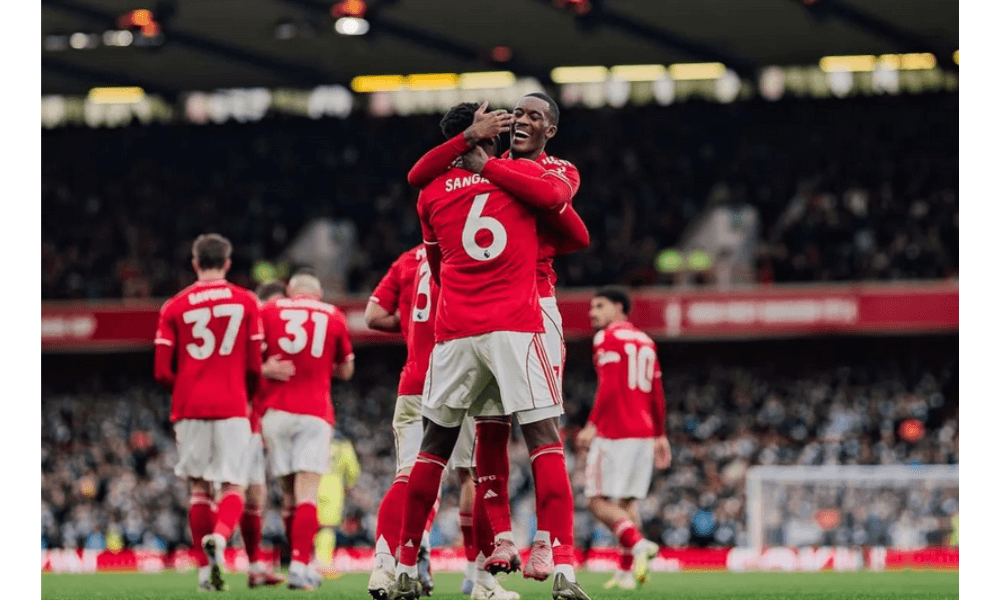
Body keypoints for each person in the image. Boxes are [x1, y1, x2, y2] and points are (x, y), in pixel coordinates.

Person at [390, 102, 590, 600]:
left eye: (528, 116)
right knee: (539, 436)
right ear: (487, 136)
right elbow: (579, 234)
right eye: (507, 119)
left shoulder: (435, 191)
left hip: (456, 329)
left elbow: (419, 181)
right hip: (519, 318)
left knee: (437, 449)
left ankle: (403, 565)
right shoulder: (520, 178)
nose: (517, 123)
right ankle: (552, 557)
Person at [154, 233, 264, 592]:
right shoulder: (247, 302)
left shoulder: (173, 306)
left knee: (198, 487)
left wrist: (185, 388)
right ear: (228, 263)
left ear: (195, 263)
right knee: (234, 482)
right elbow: (253, 367)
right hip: (233, 405)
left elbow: (161, 371)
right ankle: (219, 536)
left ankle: (205, 574)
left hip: (189, 407)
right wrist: (243, 394)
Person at [258, 271, 355, 590]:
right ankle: (301, 565)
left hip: (275, 413)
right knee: (307, 496)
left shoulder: (269, 311)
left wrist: (264, 368)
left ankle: (294, 562)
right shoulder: (333, 315)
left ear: (289, 290)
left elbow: (244, 356)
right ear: (319, 292)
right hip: (314, 413)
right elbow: (346, 369)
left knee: (288, 496)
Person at [576, 286, 672, 589]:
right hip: (644, 433)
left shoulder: (607, 338)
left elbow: (611, 384)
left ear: (619, 308)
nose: (592, 313)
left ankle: (639, 543)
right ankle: (627, 572)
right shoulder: (646, 341)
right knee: (627, 502)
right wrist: (660, 433)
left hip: (615, 431)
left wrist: (592, 423)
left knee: (596, 500)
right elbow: (657, 393)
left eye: (599, 306)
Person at [243, 280, 295, 588]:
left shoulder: (272, 336)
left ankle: (253, 566)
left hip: (253, 420)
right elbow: (227, 366)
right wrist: (263, 370)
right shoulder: (250, 327)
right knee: (231, 492)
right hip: (233, 419)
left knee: (255, 494)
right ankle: (211, 563)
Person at [315, 430, 361, 577]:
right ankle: (322, 562)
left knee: (310, 523)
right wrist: (348, 485)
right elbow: (353, 471)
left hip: (312, 484)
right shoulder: (343, 445)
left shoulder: (315, 441)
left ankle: (302, 560)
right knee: (327, 528)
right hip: (332, 487)